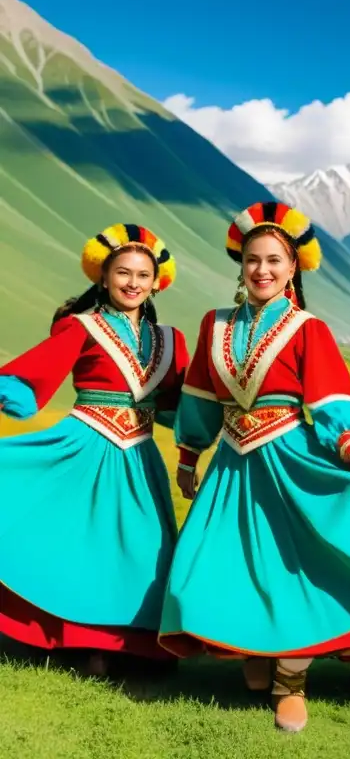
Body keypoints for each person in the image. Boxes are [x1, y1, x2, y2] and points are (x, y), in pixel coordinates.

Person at [158, 202, 350, 733]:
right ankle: (252, 647)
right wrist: (188, 453)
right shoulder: (214, 323)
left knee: (299, 568)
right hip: (231, 461)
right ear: (240, 264)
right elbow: (200, 393)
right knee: (222, 561)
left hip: (291, 456)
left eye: (274, 260)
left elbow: (331, 397)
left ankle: (291, 679)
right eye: (253, 259)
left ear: (293, 268)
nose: (262, 270)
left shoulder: (308, 328)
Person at [0, 224, 187, 678]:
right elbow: (32, 376)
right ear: (102, 278)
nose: (133, 282)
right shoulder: (79, 327)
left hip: (140, 457)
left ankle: (129, 644)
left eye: (143, 274)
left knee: (145, 551)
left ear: (156, 281)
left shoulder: (171, 340)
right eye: (123, 272)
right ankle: (81, 644)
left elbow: (179, 404)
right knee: (83, 546)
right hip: (85, 444)